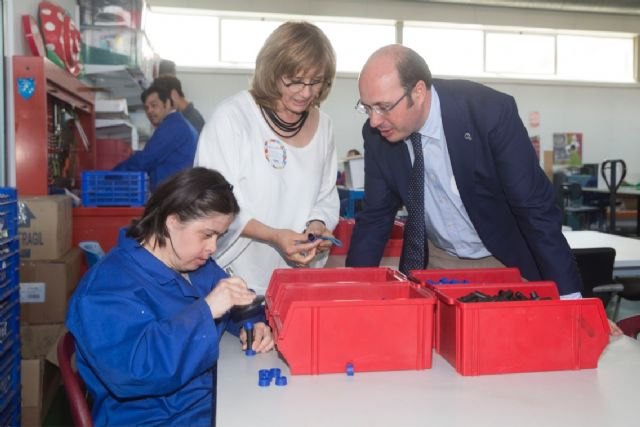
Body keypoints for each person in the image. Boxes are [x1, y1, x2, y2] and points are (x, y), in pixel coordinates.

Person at [346, 44, 584, 298]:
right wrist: (352, 290)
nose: (374, 120)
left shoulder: (488, 113)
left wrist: (570, 295)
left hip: (503, 258)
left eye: (383, 107)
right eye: (367, 107)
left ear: (418, 92)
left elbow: (535, 208)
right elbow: (375, 217)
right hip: (437, 259)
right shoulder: (377, 136)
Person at [66, 167, 274, 425]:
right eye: (207, 234)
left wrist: (252, 325)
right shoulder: (105, 289)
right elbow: (135, 371)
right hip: (155, 418)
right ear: (172, 220)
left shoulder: (196, 266)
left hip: (205, 402)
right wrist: (207, 309)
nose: (212, 247)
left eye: (219, 236)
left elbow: (237, 307)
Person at [195, 21, 340, 294]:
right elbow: (212, 203)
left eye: (316, 81)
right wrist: (274, 236)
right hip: (233, 276)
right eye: (295, 80)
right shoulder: (233, 118)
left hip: (293, 280)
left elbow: (326, 195)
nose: (306, 92)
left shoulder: (325, 127)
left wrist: (317, 226)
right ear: (272, 72)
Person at [114, 84, 197, 190]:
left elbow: (146, 160)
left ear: (167, 103)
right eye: (146, 108)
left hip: (173, 194)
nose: (149, 111)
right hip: (179, 192)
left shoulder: (172, 126)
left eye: (154, 105)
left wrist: (110, 177)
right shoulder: (180, 123)